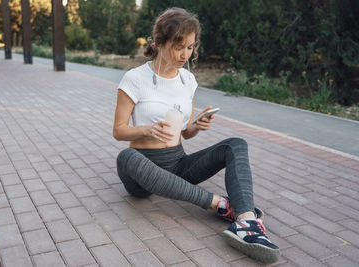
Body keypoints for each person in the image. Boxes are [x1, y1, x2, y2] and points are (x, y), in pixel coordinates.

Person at [113, 7, 280, 264]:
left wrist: (196, 126)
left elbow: (185, 132)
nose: (185, 54)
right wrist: (147, 129)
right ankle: (218, 205)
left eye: (190, 47)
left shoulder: (188, 80)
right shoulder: (134, 79)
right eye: (179, 46)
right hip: (142, 171)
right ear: (159, 43)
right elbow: (119, 131)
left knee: (235, 144)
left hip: (178, 164)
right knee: (126, 157)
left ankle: (246, 220)